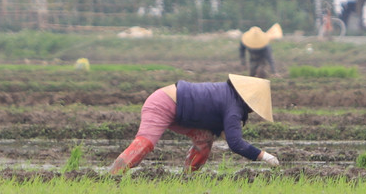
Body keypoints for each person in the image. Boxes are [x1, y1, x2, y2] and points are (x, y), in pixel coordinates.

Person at [111, 74, 280, 173]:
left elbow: (227, 135)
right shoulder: (233, 107)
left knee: (204, 138)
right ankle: (112, 175)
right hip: (163, 103)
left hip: (182, 111)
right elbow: (235, 143)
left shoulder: (229, 97)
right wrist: (265, 156)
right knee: (145, 143)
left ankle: (189, 177)